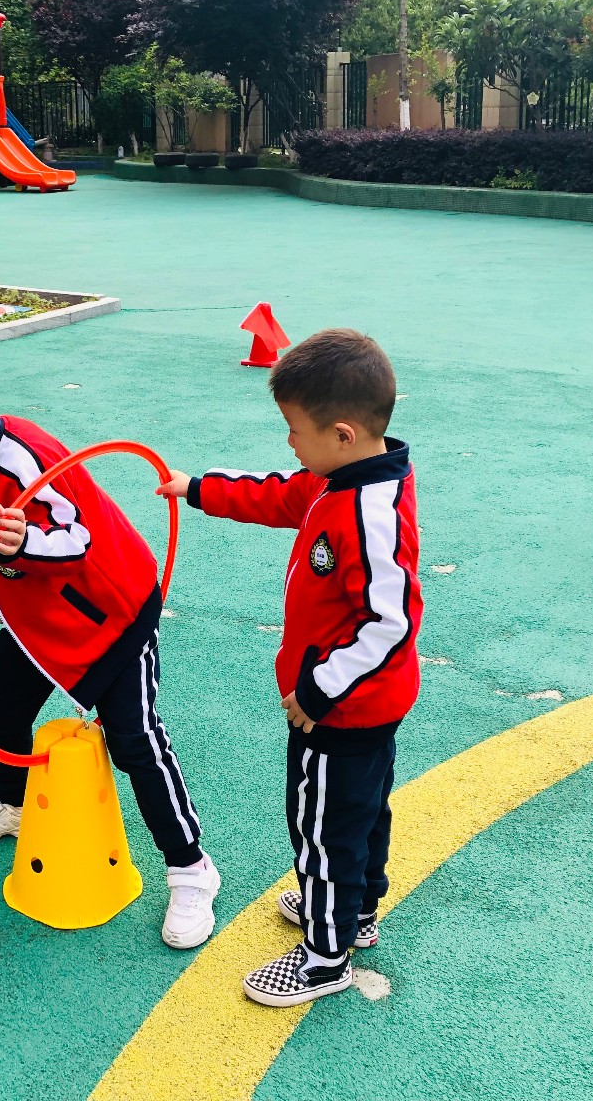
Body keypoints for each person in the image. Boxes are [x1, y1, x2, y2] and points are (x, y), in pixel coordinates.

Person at [0, 313, 221, 950]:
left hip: (111, 609)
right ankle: (14, 802)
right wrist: (7, 577)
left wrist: (24, 545)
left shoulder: (23, 460)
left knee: (135, 740)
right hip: (36, 610)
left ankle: (191, 868)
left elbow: (78, 538)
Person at [155, 328, 422, 1005]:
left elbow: (389, 623)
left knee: (323, 830)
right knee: (360, 813)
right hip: (365, 703)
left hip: (342, 708)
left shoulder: (370, 512)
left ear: (341, 434)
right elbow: (276, 495)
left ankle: (325, 958)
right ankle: (356, 913)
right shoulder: (341, 478)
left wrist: (318, 689)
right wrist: (197, 489)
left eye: (295, 430)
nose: (289, 442)